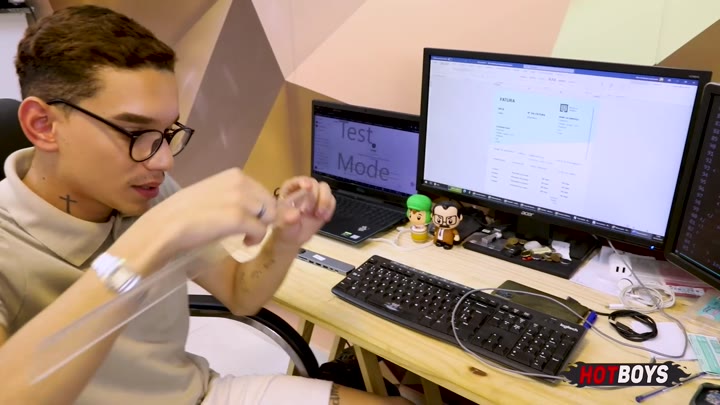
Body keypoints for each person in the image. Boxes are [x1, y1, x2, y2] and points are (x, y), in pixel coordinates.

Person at [0, 5, 411, 405]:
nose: (164, 161)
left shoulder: (150, 191)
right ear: (43, 125)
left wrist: (287, 237)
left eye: (167, 133)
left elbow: (240, 295)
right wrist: (151, 239)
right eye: (134, 133)